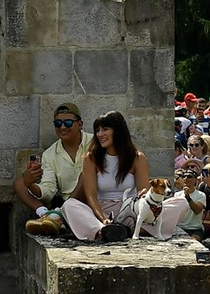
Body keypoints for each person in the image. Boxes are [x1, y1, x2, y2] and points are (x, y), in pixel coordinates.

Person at [61, 111, 151, 241]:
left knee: (176, 204)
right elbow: (90, 195)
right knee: (69, 205)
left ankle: (128, 230)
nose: (99, 134)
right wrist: (103, 219)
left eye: (105, 129)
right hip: (102, 212)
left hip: (130, 211)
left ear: (118, 131)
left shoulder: (137, 157)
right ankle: (103, 230)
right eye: (97, 130)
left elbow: (144, 191)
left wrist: (145, 194)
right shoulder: (90, 158)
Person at [20, 102, 88, 234]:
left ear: (80, 124)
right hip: (68, 204)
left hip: (94, 199)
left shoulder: (94, 144)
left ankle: (58, 216)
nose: (62, 127)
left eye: (68, 123)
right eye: (58, 124)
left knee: (86, 175)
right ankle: (49, 215)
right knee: (19, 183)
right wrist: (30, 184)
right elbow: (48, 190)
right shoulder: (49, 154)